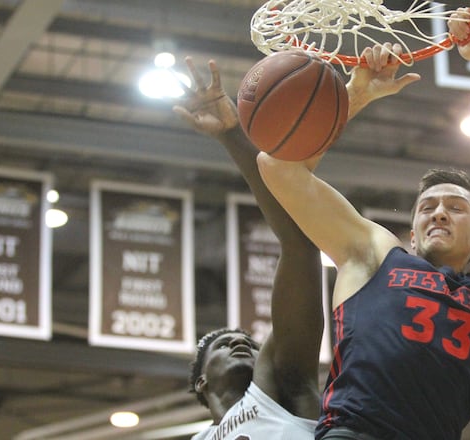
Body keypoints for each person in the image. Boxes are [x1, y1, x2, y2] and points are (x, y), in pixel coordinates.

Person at [257, 9, 470, 440]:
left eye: (455, 207)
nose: (438, 212)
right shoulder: (374, 255)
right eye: (427, 207)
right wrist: (355, 96)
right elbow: (278, 169)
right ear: (411, 234)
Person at [176, 44, 420, 440]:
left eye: (248, 343)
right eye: (224, 343)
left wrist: (232, 136)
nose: (241, 342)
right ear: (201, 383)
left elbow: (297, 242)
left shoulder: (281, 385)